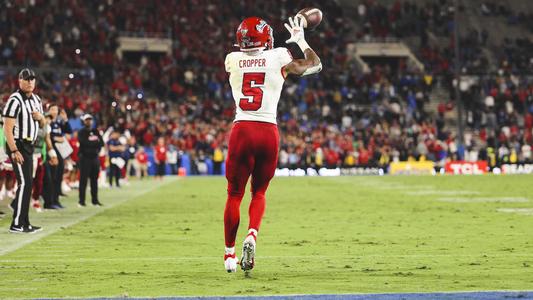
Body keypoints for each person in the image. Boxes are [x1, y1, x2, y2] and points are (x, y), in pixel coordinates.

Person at [223, 16, 321, 272]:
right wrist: (300, 39)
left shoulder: (231, 60)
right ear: (265, 38)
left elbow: (249, 58)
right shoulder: (278, 56)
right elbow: (315, 65)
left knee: (234, 194)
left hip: (242, 129)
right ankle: (252, 234)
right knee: (259, 192)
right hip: (268, 130)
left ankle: (229, 256)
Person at [2, 68, 47, 233]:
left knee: (28, 184)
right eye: (27, 79)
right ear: (19, 81)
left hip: (30, 146)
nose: (30, 82)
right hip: (18, 146)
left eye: (32, 79)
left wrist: (41, 118)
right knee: (25, 183)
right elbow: (7, 128)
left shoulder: (36, 99)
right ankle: (17, 224)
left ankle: (25, 222)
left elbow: (42, 125)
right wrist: (14, 150)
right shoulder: (14, 99)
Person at [78, 114, 104, 207]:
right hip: (85, 158)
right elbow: (83, 143)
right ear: (84, 121)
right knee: (83, 180)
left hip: (94, 158)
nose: (89, 121)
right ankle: (81, 201)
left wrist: (91, 143)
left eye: (90, 120)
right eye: (87, 120)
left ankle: (95, 200)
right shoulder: (81, 132)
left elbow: (101, 143)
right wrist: (94, 143)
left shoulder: (95, 131)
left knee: (94, 180)